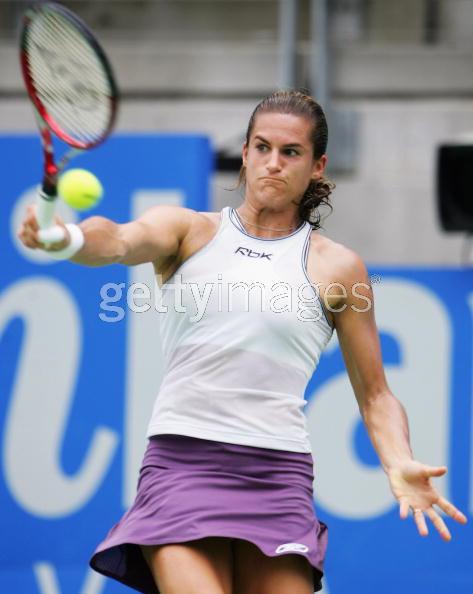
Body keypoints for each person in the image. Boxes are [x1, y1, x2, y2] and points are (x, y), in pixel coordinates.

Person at [18, 90, 467, 594]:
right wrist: (68, 239)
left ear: (317, 165)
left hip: (278, 477)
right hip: (183, 464)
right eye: (261, 147)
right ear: (247, 153)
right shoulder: (187, 231)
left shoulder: (339, 267)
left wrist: (398, 459)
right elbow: (119, 239)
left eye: (290, 152)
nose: (272, 163)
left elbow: (376, 394)